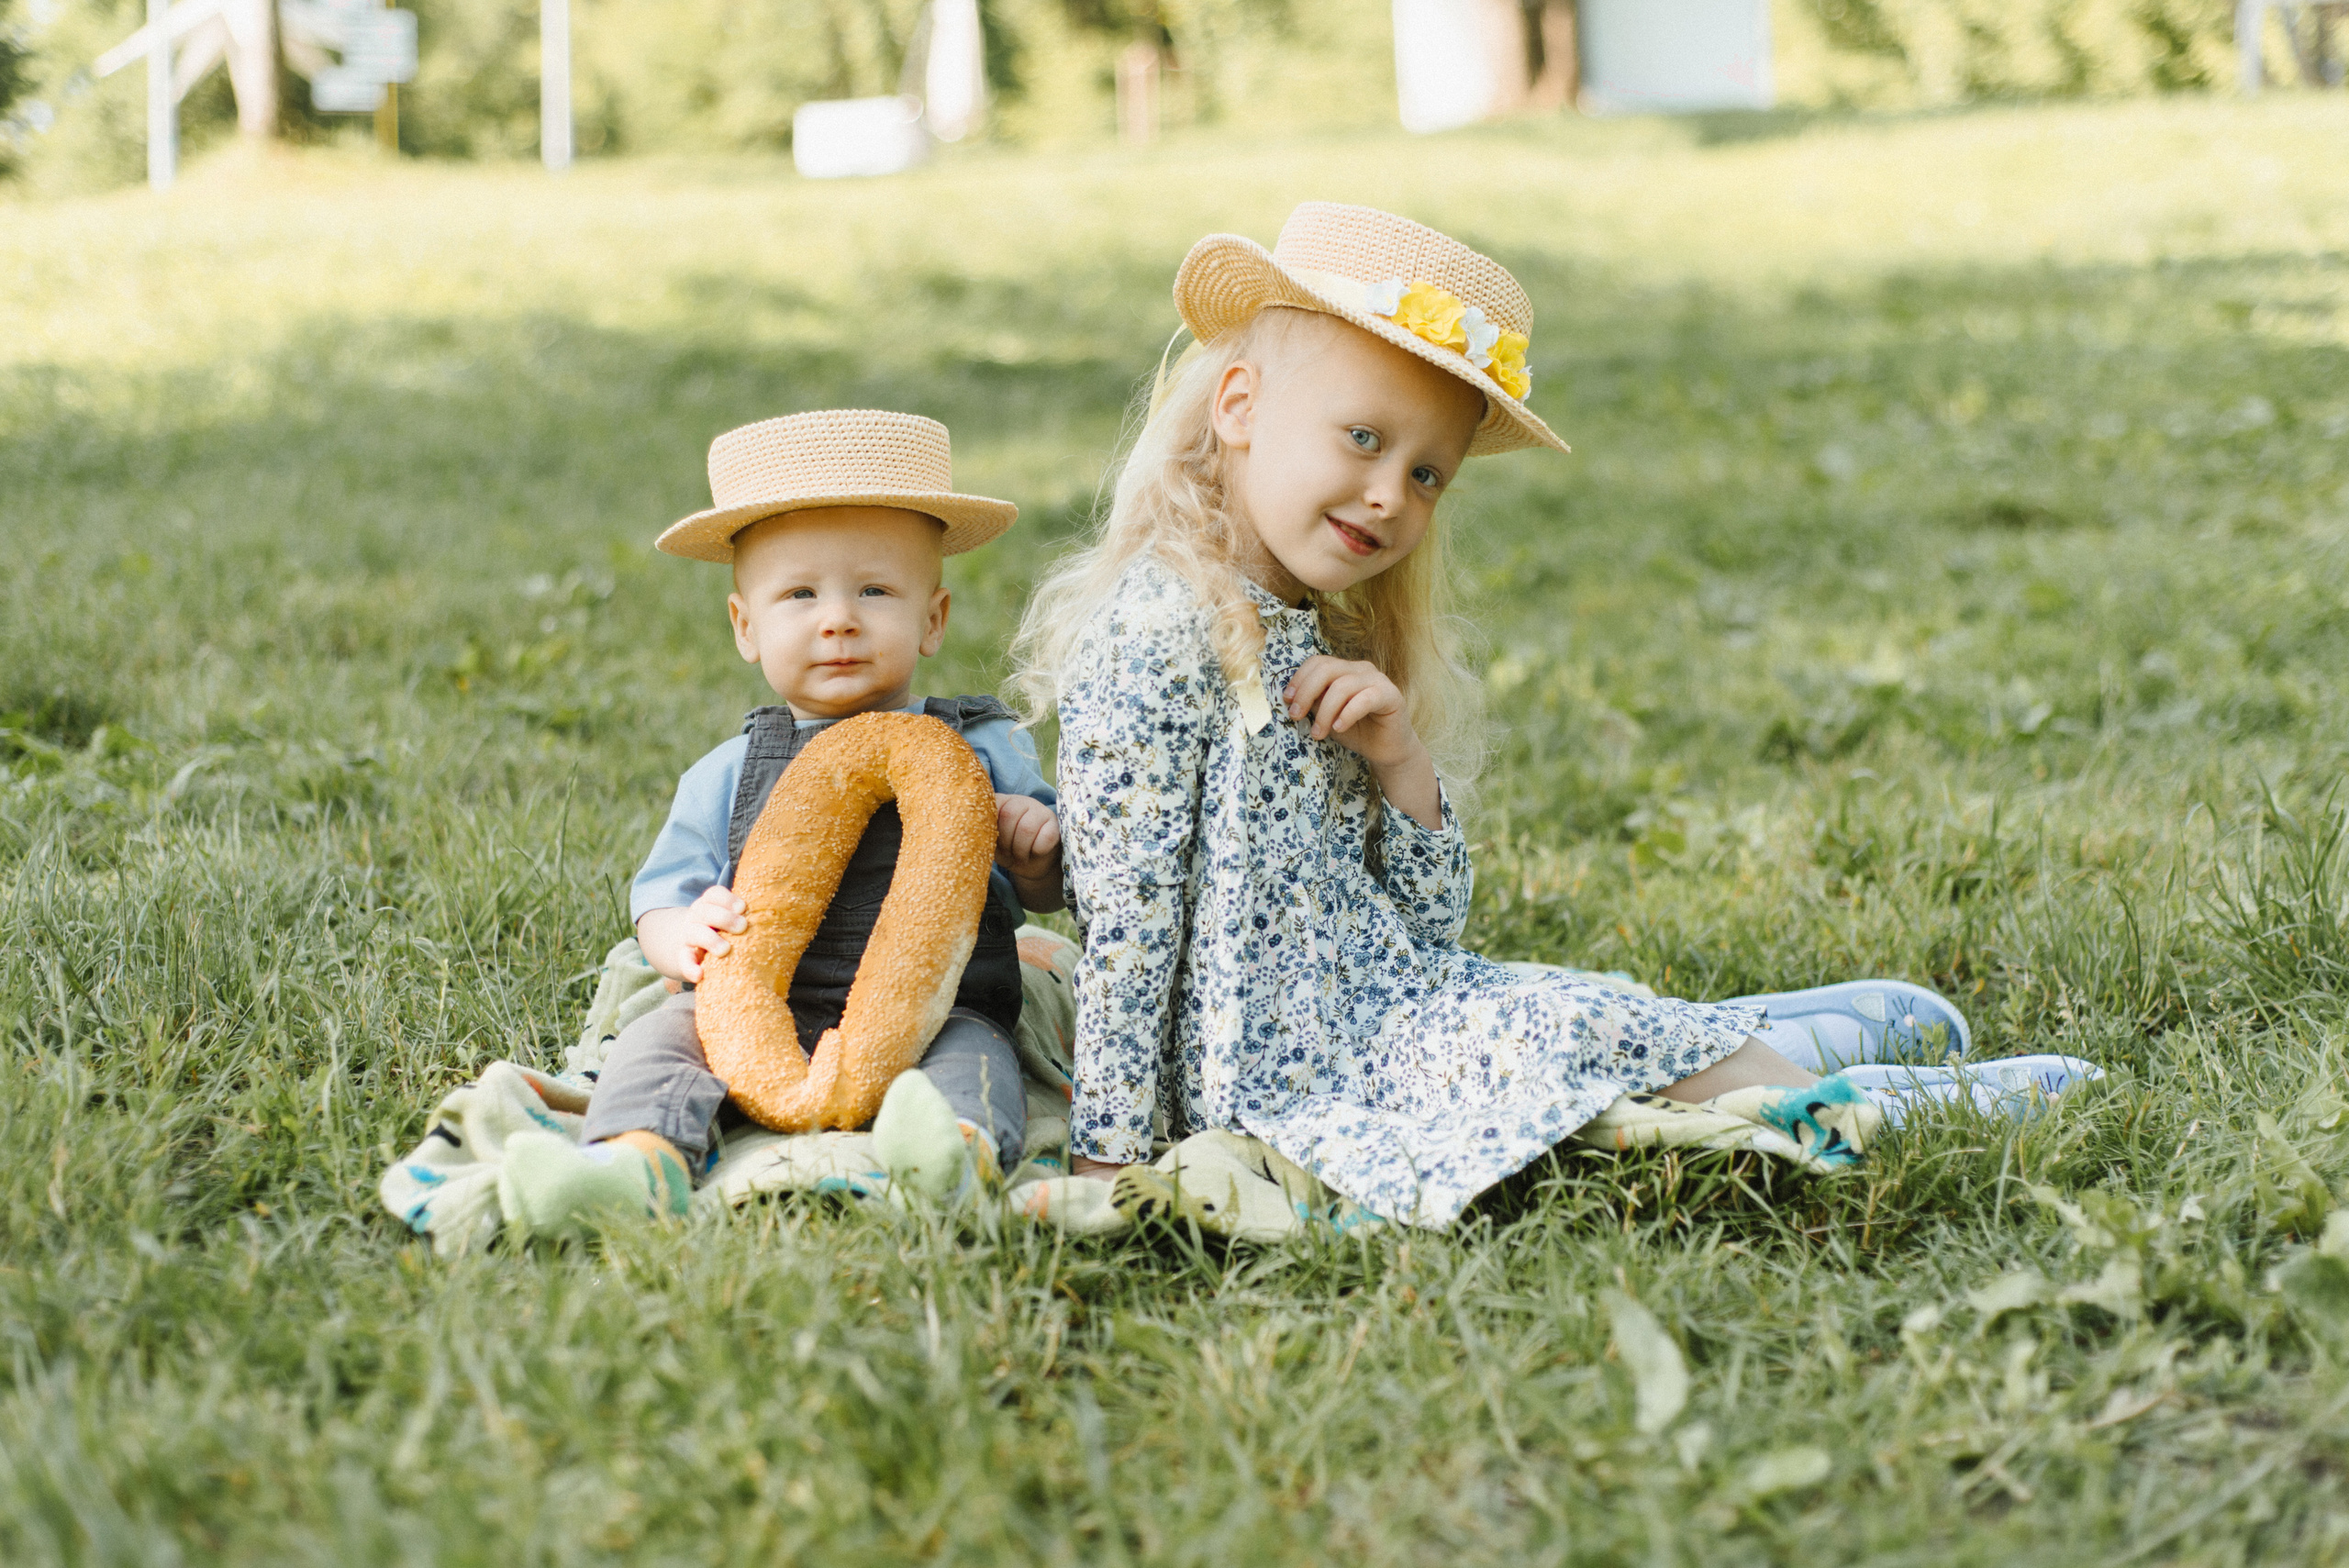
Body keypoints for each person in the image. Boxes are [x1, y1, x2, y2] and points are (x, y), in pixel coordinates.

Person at [1011, 204, 1974, 1227]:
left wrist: (1398, 760)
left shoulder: (1306, 627)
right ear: (1239, 406)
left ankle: (1754, 1042)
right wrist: (1110, 1155)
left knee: (1562, 1009)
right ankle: (1884, 1106)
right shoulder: (1158, 631)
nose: (1388, 495)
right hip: (1287, 1081)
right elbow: (1130, 923)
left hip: (1377, 1018)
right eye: (1363, 438)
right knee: (1559, 1039)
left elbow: (1426, 928)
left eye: (1424, 473)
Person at [499, 409, 1064, 1237]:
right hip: (762, 1001)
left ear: (933, 618)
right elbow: (661, 894)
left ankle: (952, 1154)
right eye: (800, 594)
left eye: (875, 590)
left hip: (939, 1008)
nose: (838, 618)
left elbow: (1050, 888)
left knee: (980, 1062)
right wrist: (681, 932)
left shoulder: (981, 749)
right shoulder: (729, 772)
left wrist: (1034, 847)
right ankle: (636, 1159)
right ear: (745, 626)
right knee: (661, 1042)